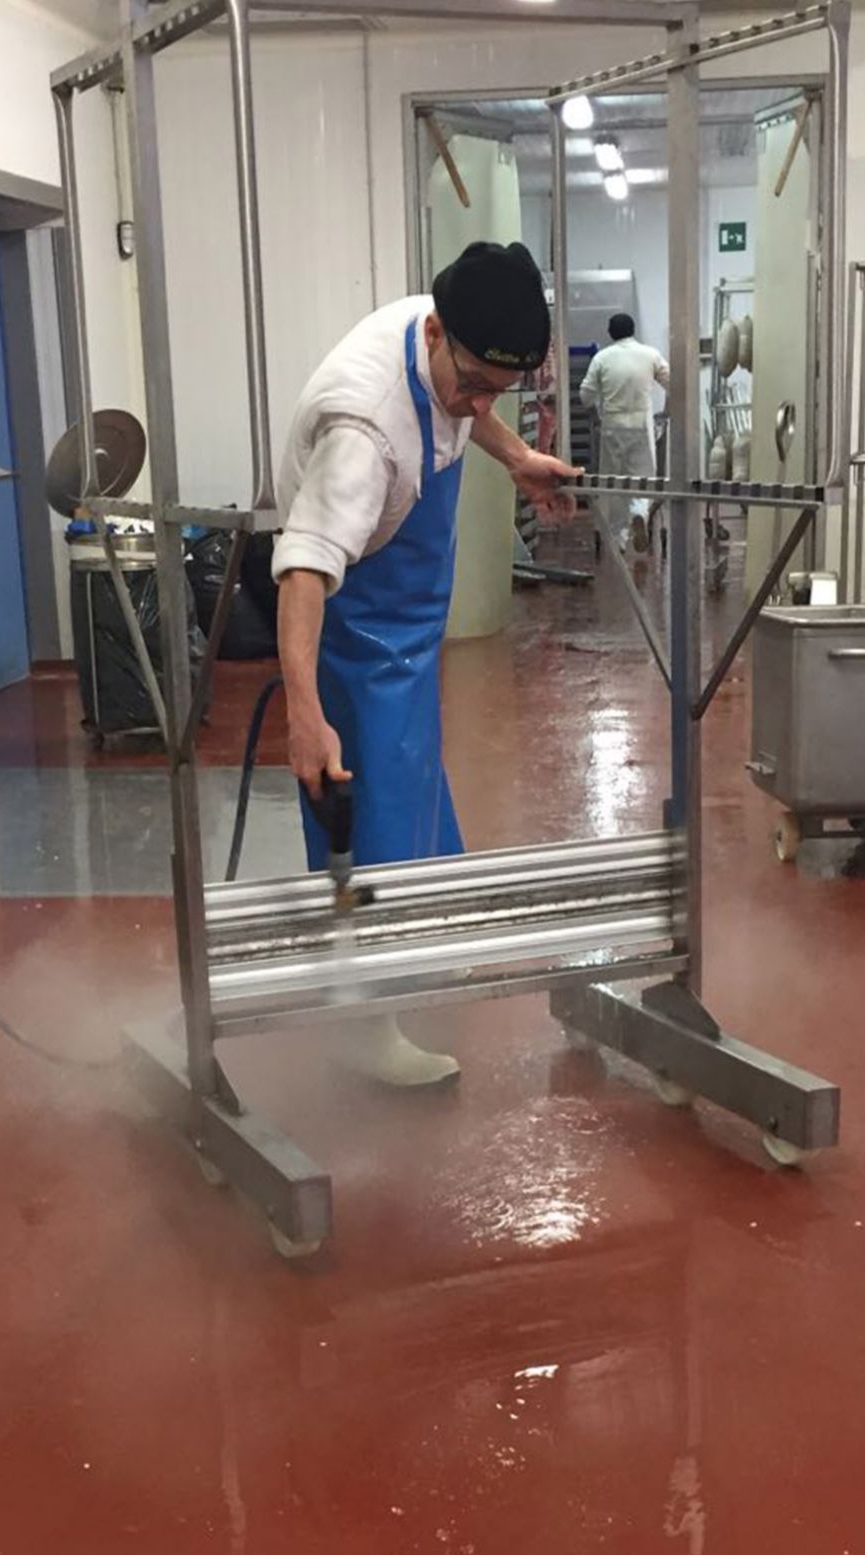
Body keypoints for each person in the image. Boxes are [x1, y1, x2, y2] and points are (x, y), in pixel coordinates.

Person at [272, 241, 581, 1086]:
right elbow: (304, 571)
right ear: (437, 333)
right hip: (353, 616)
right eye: (474, 384)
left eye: (499, 393)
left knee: (416, 788)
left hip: (407, 623)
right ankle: (360, 1023)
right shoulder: (364, 430)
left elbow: (466, 405)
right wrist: (305, 716)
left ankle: (423, 942)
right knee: (371, 806)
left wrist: (516, 457)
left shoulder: (446, 339)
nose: (479, 405)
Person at [578, 312, 671, 558]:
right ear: (633, 330)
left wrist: (595, 415)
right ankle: (640, 511)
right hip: (641, 424)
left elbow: (585, 396)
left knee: (615, 481)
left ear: (610, 333)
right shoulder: (650, 354)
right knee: (643, 476)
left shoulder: (601, 358)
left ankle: (619, 538)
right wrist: (666, 411)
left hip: (612, 425)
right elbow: (674, 383)